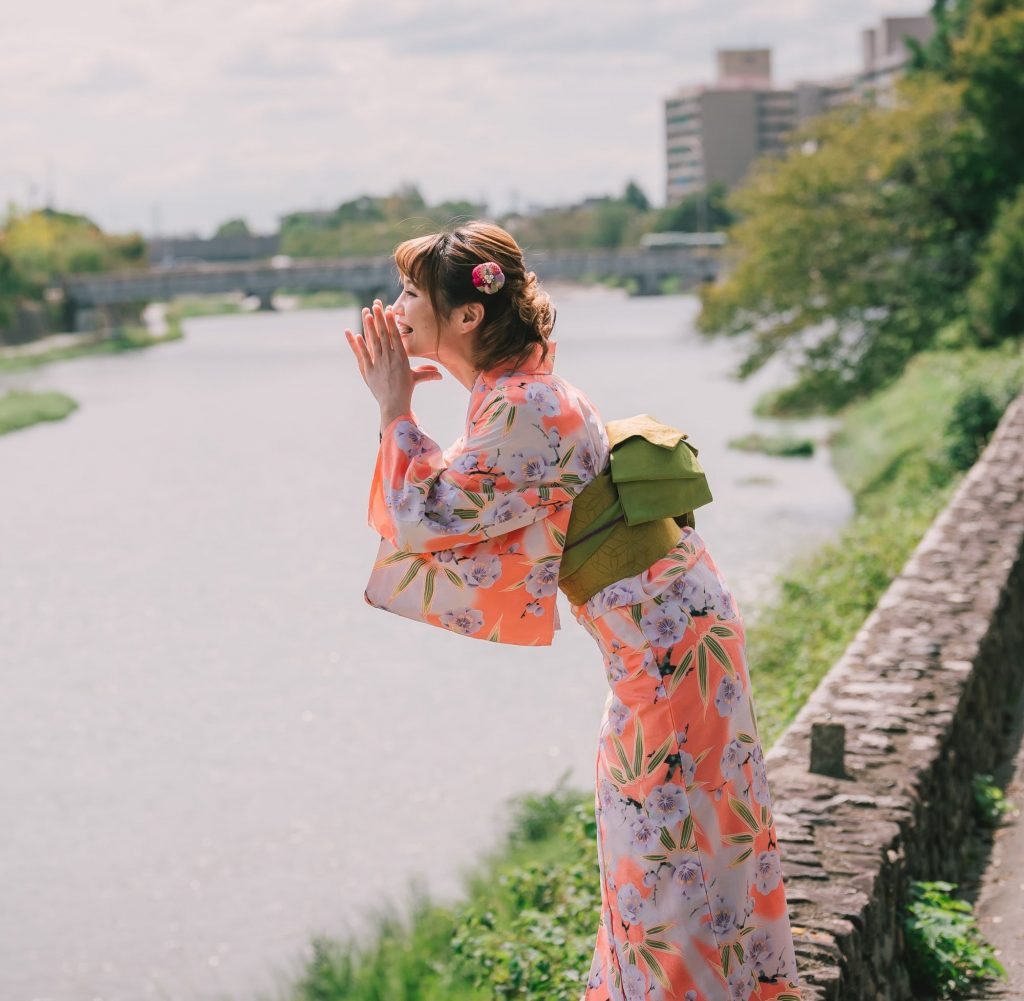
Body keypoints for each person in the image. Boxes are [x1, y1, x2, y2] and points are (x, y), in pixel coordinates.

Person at [344, 221, 805, 1001]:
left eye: (411, 293)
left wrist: (393, 408)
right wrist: (400, 414)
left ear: (467, 316)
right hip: (666, 632)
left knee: (663, 842)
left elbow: (426, 514)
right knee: (681, 830)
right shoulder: (516, 397)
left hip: (667, 646)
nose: (395, 307)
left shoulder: (525, 405)